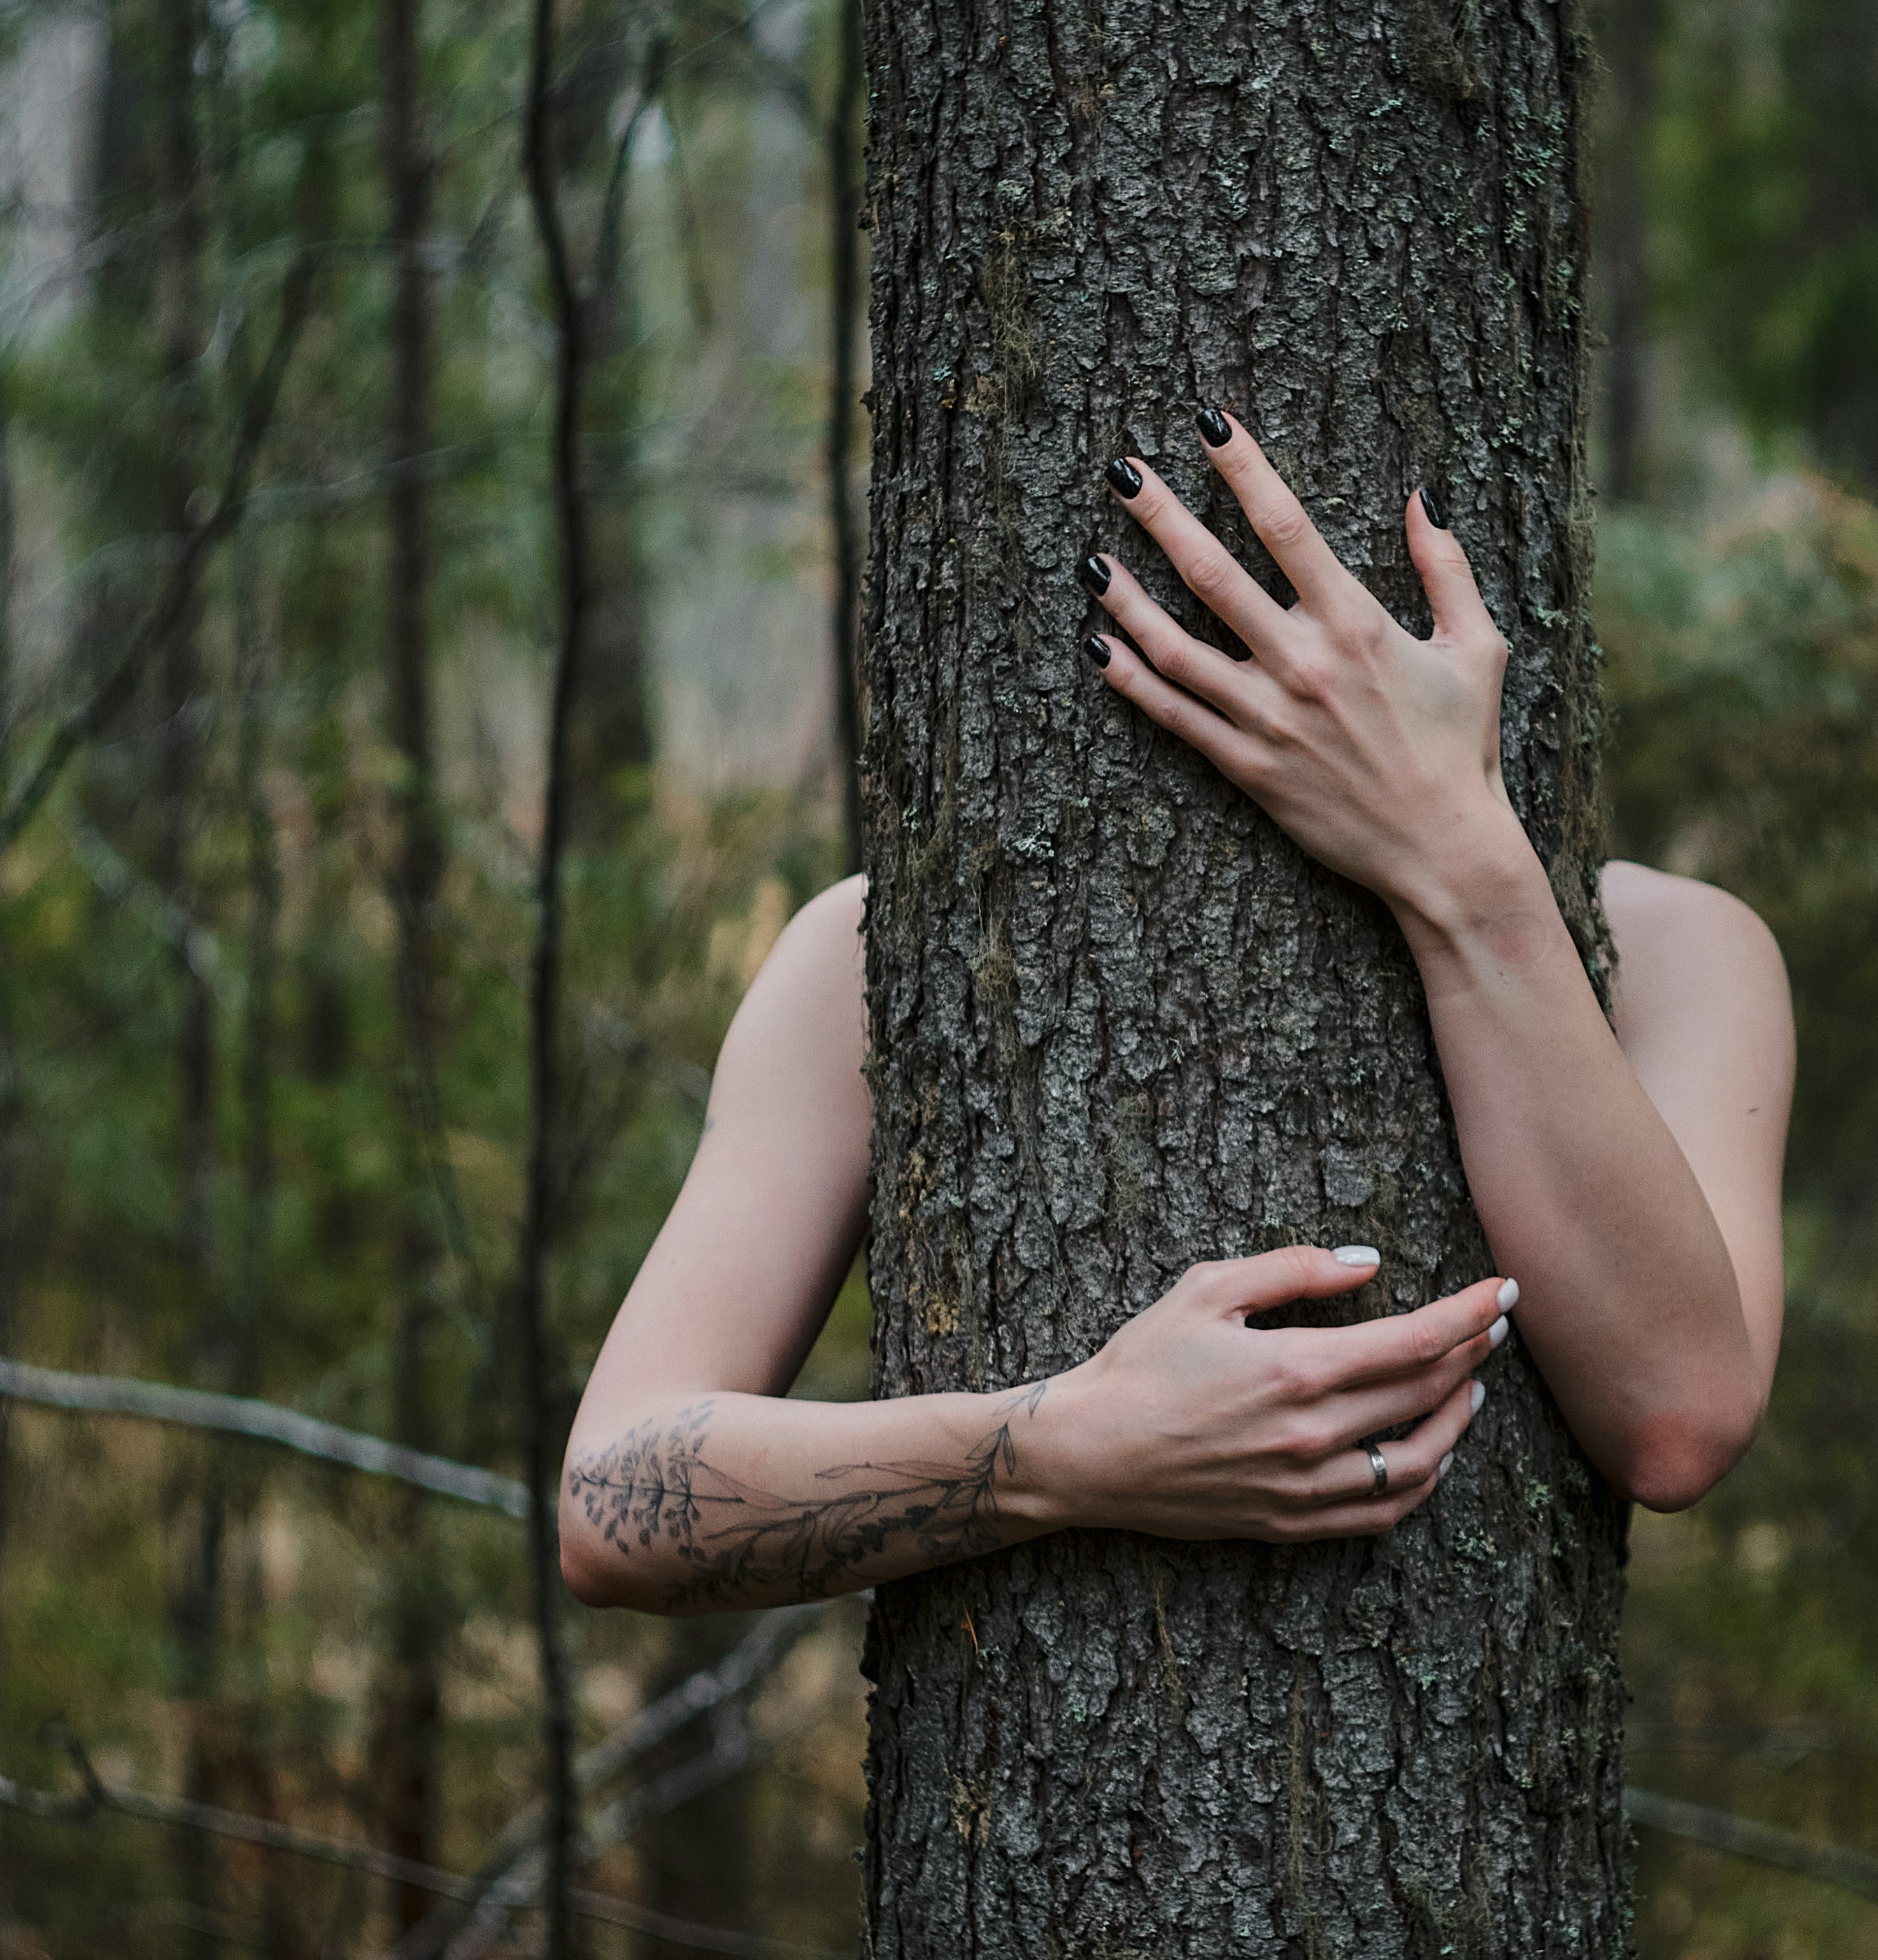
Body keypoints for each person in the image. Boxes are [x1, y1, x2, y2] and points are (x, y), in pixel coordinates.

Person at [560, 410, 1794, 1615]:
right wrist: (1056, 1454)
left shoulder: (1676, 951)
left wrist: (1461, 874)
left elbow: (1675, 1419)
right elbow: (614, 1497)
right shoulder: (878, 958)